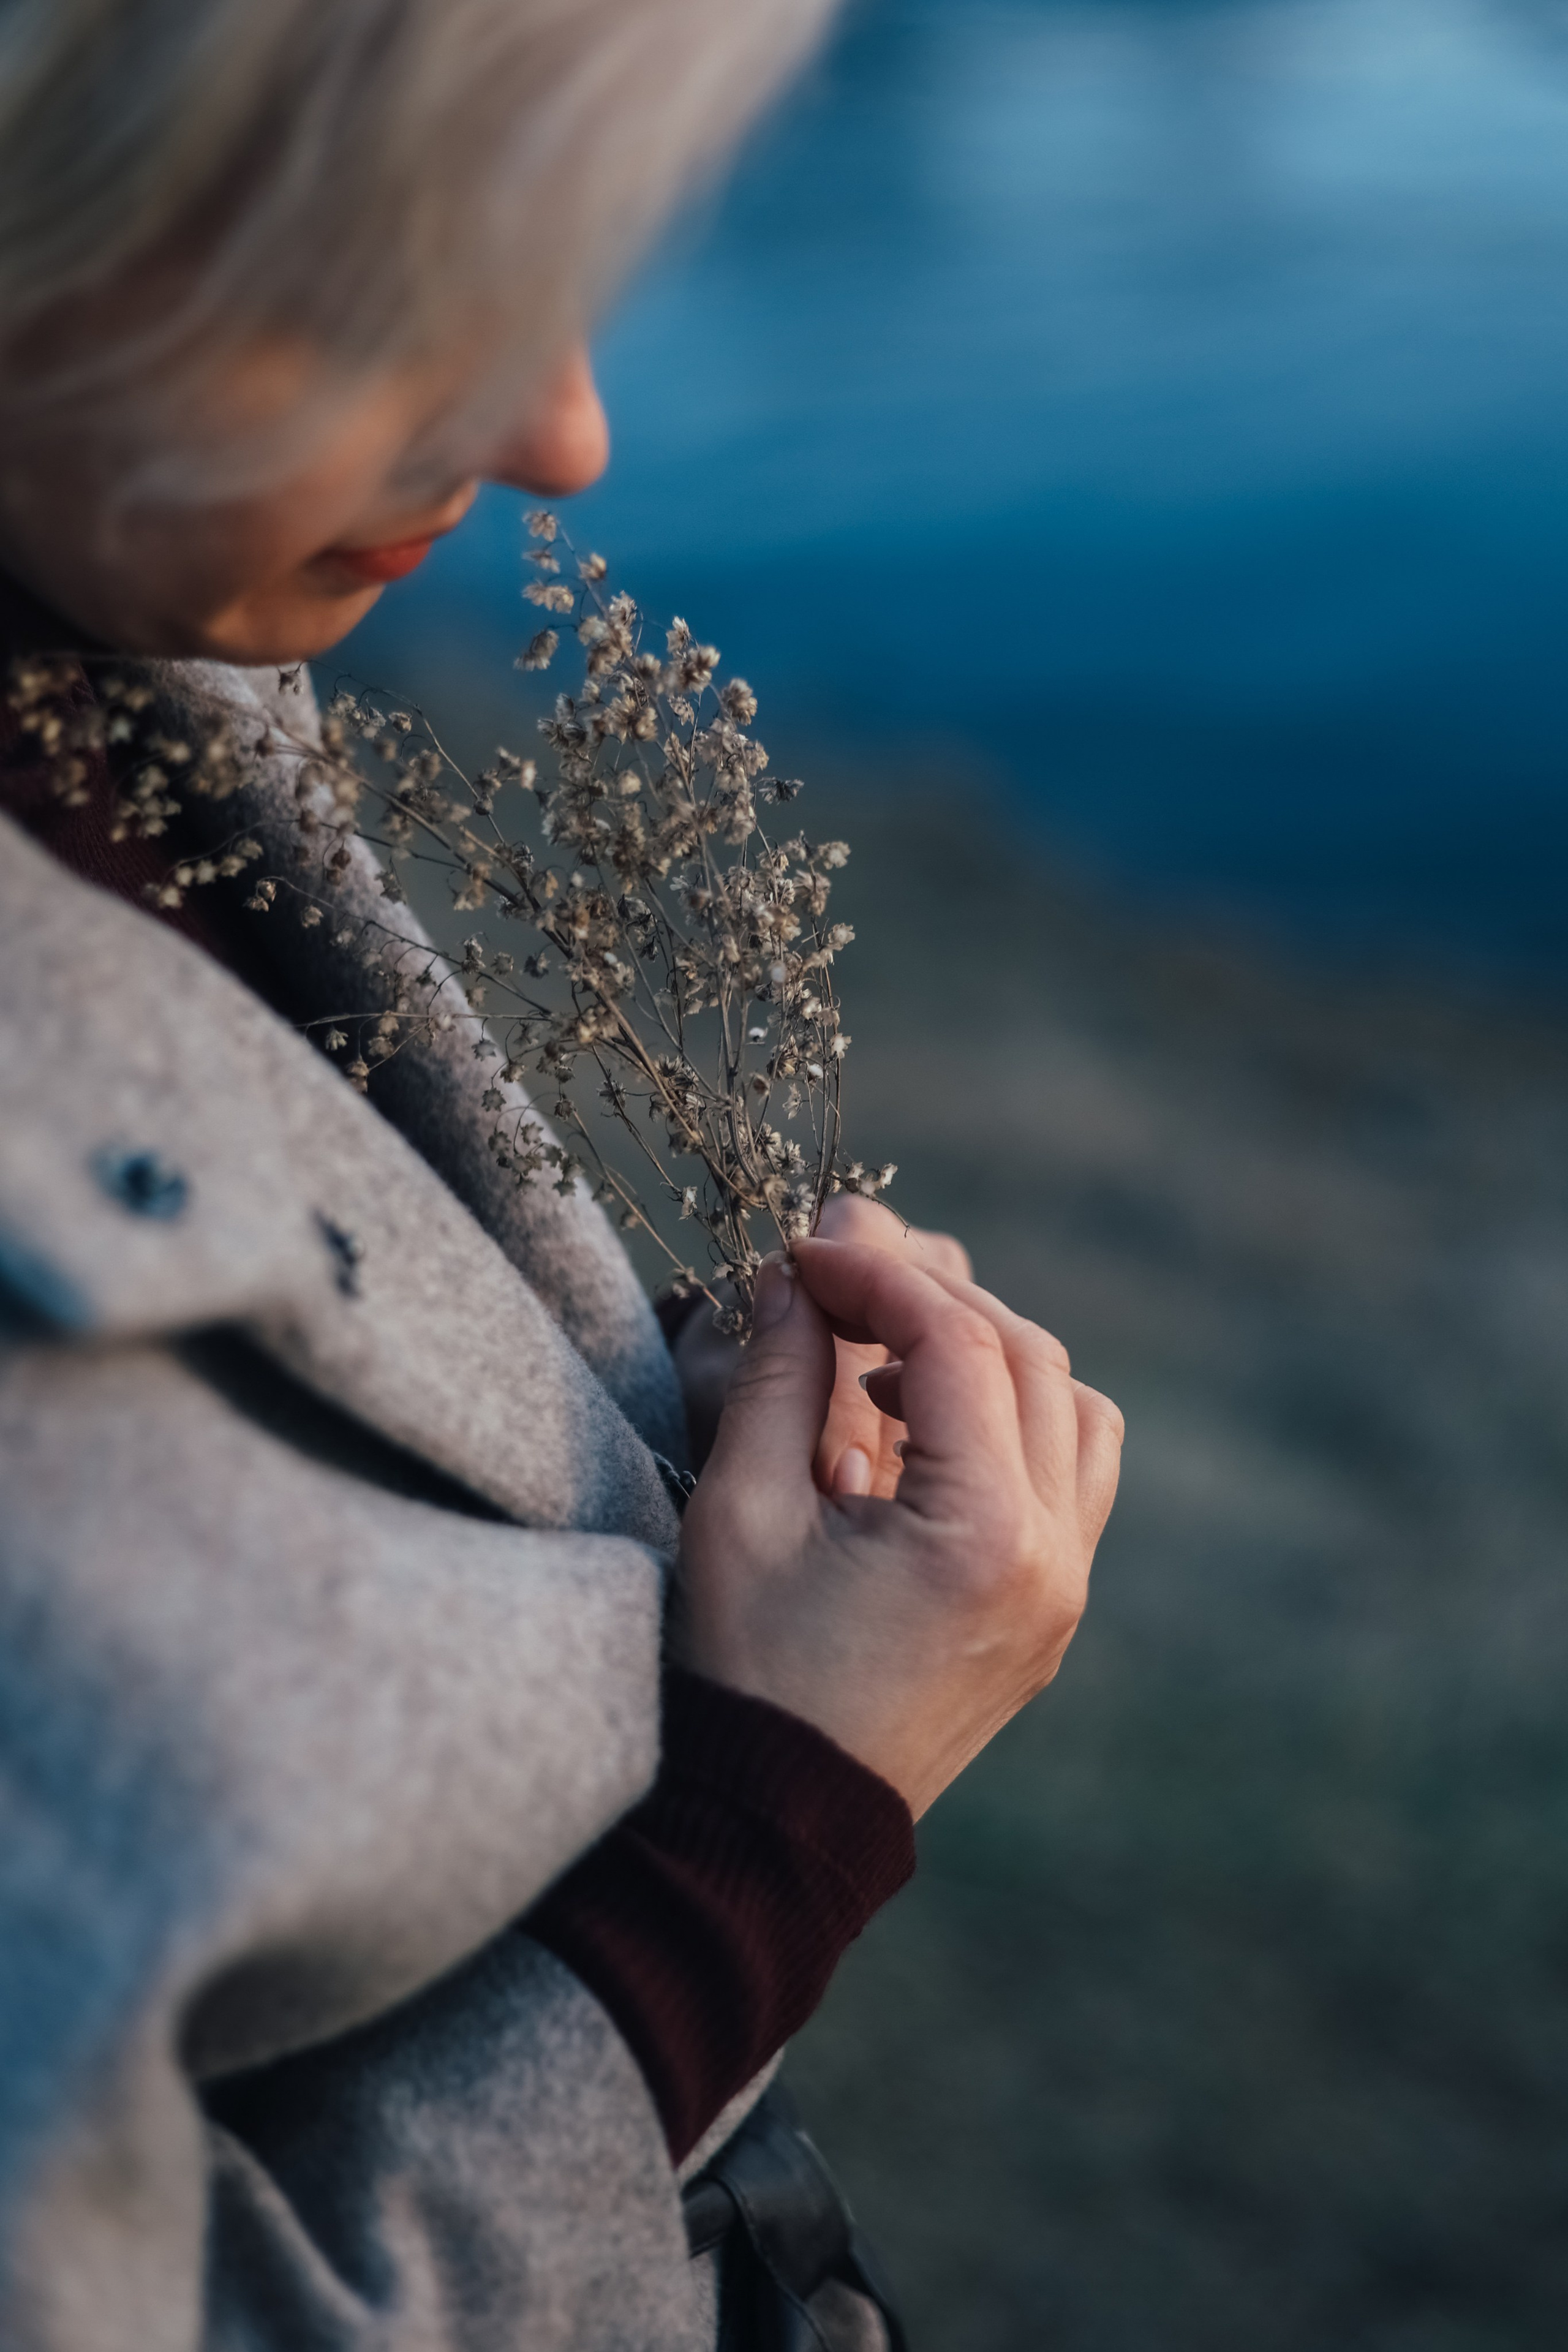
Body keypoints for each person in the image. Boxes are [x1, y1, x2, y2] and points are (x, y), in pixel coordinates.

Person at [0, 1, 1125, 2345]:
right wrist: (776, 1819)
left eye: (550, 252)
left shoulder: (114, 658)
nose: (561, 434)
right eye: (366, 271)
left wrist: (597, 1405)